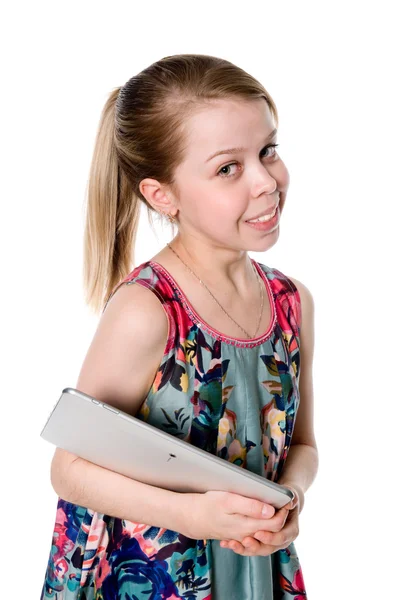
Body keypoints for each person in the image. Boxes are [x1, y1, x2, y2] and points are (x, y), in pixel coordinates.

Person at [40, 53, 318, 599]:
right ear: (161, 195)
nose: (265, 182)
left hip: (254, 569)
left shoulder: (292, 302)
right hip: (157, 577)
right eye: (227, 168)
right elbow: (68, 468)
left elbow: (303, 445)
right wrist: (191, 516)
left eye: (268, 151)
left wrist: (291, 499)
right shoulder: (147, 311)